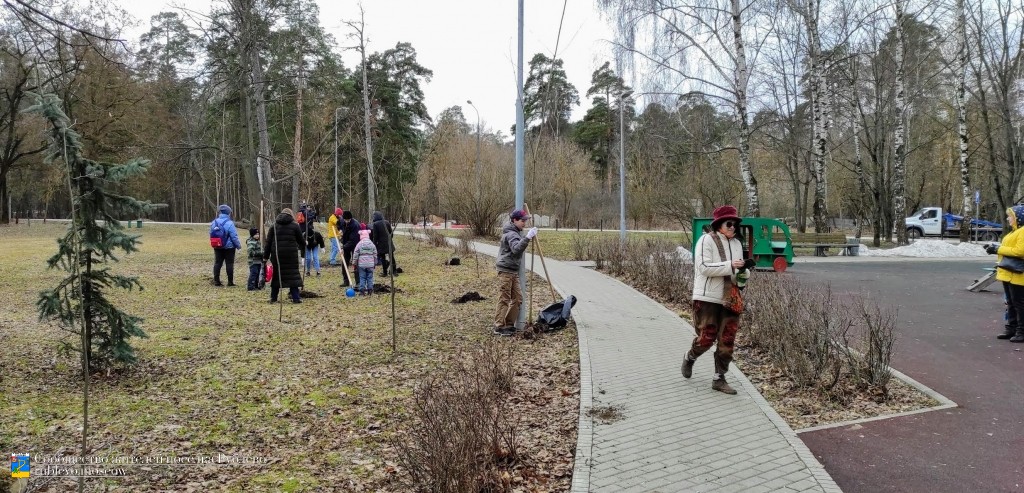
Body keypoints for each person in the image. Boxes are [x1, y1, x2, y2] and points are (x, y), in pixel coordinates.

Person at [682, 205, 749, 395]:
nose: (733, 227)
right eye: (729, 223)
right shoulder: (706, 240)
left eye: (735, 224)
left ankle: (719, 378)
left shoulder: (736, 244)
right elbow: (703, 267)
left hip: (730, 298)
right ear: (719, 224)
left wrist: (744, 273)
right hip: (707, 298)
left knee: (727, 339)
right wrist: (731, 266)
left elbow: (735, 272)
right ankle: (690, 356)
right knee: (706, 338)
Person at [493, 209, 537, 336]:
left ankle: (508, 324)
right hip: (506, 270)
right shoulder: (511, 234)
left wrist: (526, 237)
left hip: (512, 270)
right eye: (522, 221)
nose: (524, 223)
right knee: (504, 298)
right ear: (514, 220)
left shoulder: (515, 232)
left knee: (517, 298)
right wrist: (528, 237)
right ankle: (499, 326)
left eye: (525, 220)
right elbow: (516, 249)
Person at [987, 205, 1024, 342]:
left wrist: (999, 249)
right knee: (1011, 303)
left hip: (1018, 274)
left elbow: (1020, 251)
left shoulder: (1023, 231)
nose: (1008, 218)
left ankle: (1021, 331)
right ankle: (1011, 328)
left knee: (1019, 303)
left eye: (1010, 216)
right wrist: (996, 248)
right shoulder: (1014, 232)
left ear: (1018, 218)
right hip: (1009, 272)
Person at [263, 208, 305, 303]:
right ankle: (296, 298)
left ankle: (273, 298)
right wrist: (304, 244)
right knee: (292, 275)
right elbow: (301, 241)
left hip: (277, 255)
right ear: (291, 215)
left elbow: (268, 243)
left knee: (277, 276)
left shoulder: (274, 226)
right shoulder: (295, 226)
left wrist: (265, 257)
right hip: (291, 255)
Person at [210, 204, 241, 287]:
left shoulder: (214, 222)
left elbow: (211, 234)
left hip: (217, 246)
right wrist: (238, 246)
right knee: (229, 264)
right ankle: (230, 282)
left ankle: (216, 281)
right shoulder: (230, 223)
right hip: (229, 247)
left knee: (217, 263)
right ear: (228, 213)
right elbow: (234, 237)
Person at [338, 210, 361, 287]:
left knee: (356, 263)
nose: (347, 221)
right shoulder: (342, 221)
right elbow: (339, 225)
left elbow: (353, 240)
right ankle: (346, 281)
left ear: (351, 218)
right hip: (346, 244)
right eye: (345, 220)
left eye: (348, 220)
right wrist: (340, 232)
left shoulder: (355, 225)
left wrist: (343, 248)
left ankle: (358, 282)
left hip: (355, 245)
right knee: (344, 262)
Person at [370, 210, 396, 276]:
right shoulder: (387, 222)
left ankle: (385, 272)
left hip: (381, 244)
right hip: (389, 242)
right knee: (391, 257)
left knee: (383, 257)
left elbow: (375, 236)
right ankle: (394, 271)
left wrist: (374, 245)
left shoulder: (375, 224)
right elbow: (391, 233)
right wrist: (389, 239)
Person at [354, 229, 378, 295]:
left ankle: (362, 291)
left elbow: (355, 253)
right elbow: (375, 254)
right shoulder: (372, 244)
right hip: (370, 264)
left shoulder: (359, 244)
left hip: (361, 264)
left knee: (362, 277)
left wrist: (354, 263)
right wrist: (375, 263)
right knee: (370, 277)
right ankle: (370, 290)